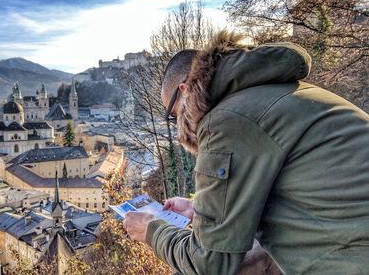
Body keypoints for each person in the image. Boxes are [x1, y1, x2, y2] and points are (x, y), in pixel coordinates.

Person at [123, 30, 369, 274]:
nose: (176, 125)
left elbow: (210, 263)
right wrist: (200, 208)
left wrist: (151, 231)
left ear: (185, 89)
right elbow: (301, 188)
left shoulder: (224, 121)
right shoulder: (275, 91)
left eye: (172, 115)